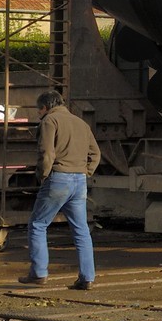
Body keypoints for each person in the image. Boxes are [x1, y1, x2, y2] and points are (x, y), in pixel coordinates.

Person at [19, 90, 101, 290]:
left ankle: (39, 273)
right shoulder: (82, 123)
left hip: (58, 178)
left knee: (38, 224)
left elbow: (47, 153)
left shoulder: (50, 121)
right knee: (81, 230)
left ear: (45, 107)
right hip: (79, 180)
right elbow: (96, 153)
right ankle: (87, 278)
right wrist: (86, 172)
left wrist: (43, 175)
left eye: (39, 110)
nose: (39, 114)